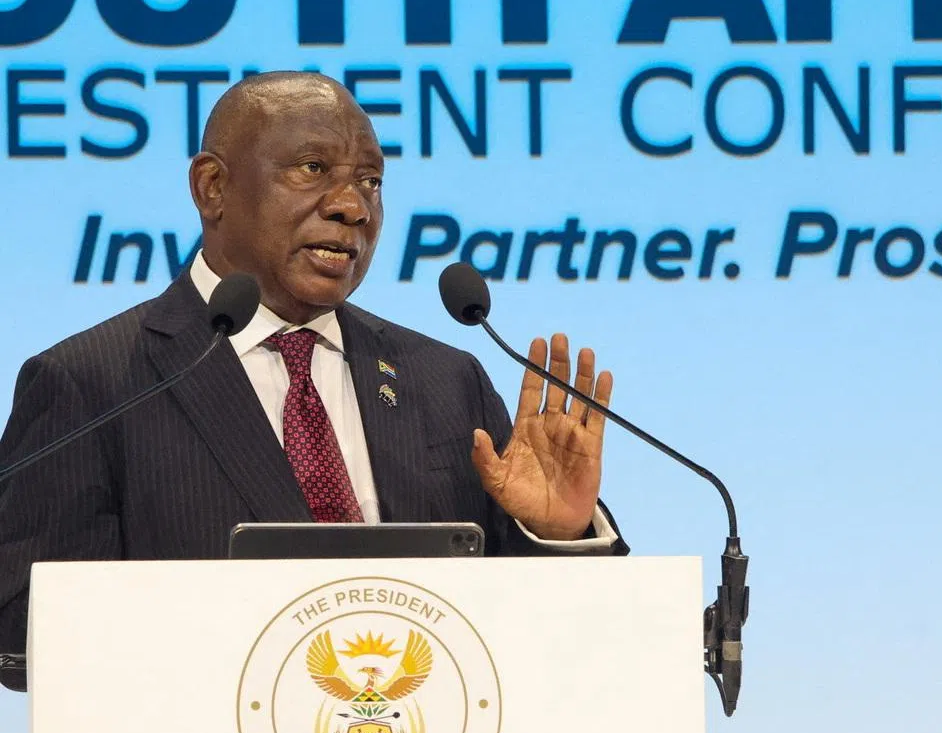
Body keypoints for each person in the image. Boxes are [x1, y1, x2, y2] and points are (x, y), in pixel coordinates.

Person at [0, 72, 625, 685]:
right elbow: (23, 632)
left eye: (371, 181)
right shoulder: (96, 384)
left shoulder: (444, 379)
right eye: (312, 169)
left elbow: (550, 635)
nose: (353, 207)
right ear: (212, 187)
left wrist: (556, 532)